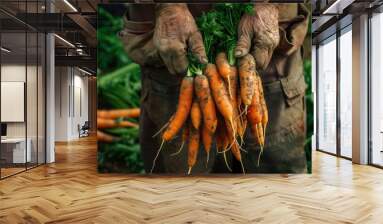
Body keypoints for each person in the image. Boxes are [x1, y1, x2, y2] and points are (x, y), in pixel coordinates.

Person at [119, 3, 310, 174]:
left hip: (269, 46)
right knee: (181, 185)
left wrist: (270, 4)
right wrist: (168, 7)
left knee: (276, 181)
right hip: (172, 49)